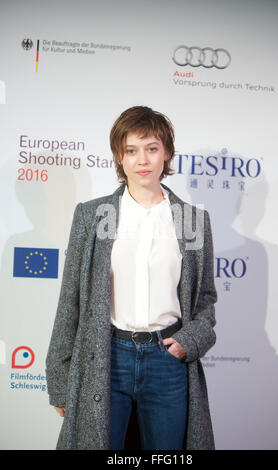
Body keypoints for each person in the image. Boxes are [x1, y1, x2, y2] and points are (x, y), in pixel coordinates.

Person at [46, 106, 218, 450]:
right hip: (106, 358)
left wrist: (189, 341)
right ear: (119, 157)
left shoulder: (192, 220)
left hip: (167, 360)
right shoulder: (92, 215)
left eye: (152, 148)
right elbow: (70, 302)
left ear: (165, 154)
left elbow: (206, 300)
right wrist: (61, 379)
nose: (143, 160)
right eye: (131, 150)